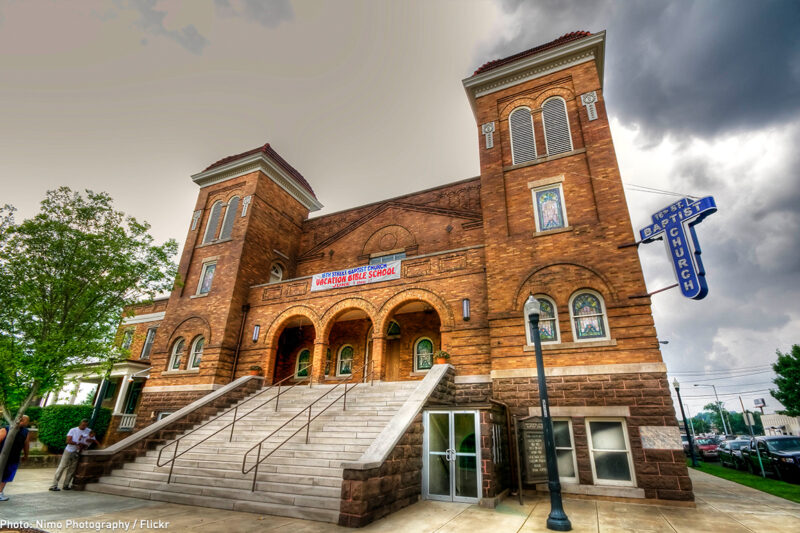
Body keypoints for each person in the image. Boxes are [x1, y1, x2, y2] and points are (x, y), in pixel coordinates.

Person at [49, 418, 90, 491]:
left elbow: (89, 440)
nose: (84, 427)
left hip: (78, 452)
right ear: (80, 424)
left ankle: (66, 485)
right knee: (62, 467)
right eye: (83, 425)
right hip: (69, 450)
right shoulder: (73, 430)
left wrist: (84, 445)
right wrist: (77, 443)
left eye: (85, 425)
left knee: (72, 469)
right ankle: (54, 485)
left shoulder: (88, 431)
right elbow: (68, 441)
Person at [0, 415, 31, 502]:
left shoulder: (25, 432)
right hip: (2, 457)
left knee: (6, 475)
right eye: (23, 420)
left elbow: (26, 444)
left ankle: (0, 493)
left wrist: (26, 455)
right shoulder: (5, 429)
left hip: (13, 458)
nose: (24, 422)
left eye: (25, 420)